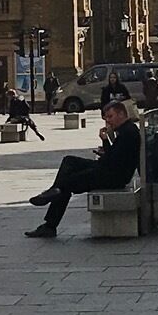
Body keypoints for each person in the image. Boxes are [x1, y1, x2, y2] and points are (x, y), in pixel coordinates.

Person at [26, 97, 142, 237]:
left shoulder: (128, 132)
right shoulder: (125, 130)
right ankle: (54, 192)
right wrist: (105, 146)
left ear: (122, 114)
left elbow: (112, 162)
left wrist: (105, 143)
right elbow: (114, 157)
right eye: (106, 118)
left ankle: (50, 222)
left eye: (110, 117)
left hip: (112, 177)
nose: (108, 121)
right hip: (108, 169)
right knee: (69, 161)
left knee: (67, 182)